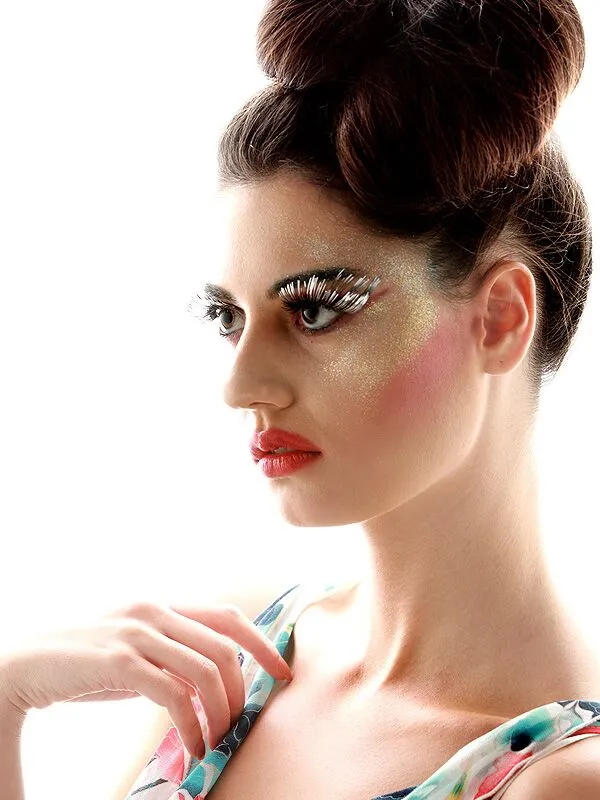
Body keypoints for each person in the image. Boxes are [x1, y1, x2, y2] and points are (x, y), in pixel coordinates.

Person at [2, 0, 600, 798]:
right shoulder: (237, 659)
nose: (239, 386)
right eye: (229, 318)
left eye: (314, 311)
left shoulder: (559, 781)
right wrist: (5, 700)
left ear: (500, 319)